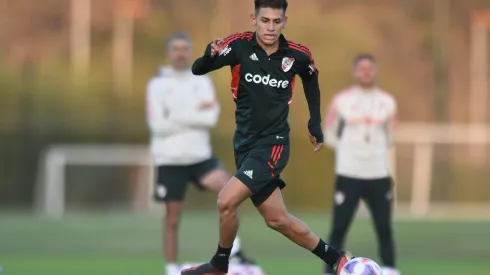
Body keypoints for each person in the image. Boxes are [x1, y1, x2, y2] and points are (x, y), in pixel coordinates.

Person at [181, 1, 353, 275]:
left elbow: (311, 81)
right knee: (277, 219)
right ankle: (337, 259)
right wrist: (209, 55)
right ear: (254, 19)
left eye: (276, 21)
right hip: (245, 144)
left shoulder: (297, 55)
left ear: (284, 21)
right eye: (265, 21)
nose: (270, 27)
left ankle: (219, 265)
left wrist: (314, 122)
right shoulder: (238, 46)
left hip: (272, 145)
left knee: (226, 200)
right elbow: (198, 69)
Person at [146, 32, 255, 275]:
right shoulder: (157, 84)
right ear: (169, 52)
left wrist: (174, 114)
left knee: (233, 191)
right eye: (176, 48)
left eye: (185, 48)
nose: (180, 52)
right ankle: (171, 268)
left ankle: (232, 252)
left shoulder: (201, 81)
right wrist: (193, 112)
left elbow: (210, 118)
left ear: (190, 51)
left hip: (200, 157)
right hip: (170, 159)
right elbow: (157, 125)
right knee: (172, 218)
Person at [323, 54, 400, 275]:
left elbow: (391, 135)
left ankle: (390, 270)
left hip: (378, 173)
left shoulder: (388, 101)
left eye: (370, 68)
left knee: (384, 228)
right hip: (348, 173)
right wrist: (348, 150)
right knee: (338, 228)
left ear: (375, 71)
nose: (366, 72)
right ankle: (329, 271)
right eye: (362, 68)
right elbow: (329, 132)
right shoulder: (342, 100)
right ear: (355, 71)